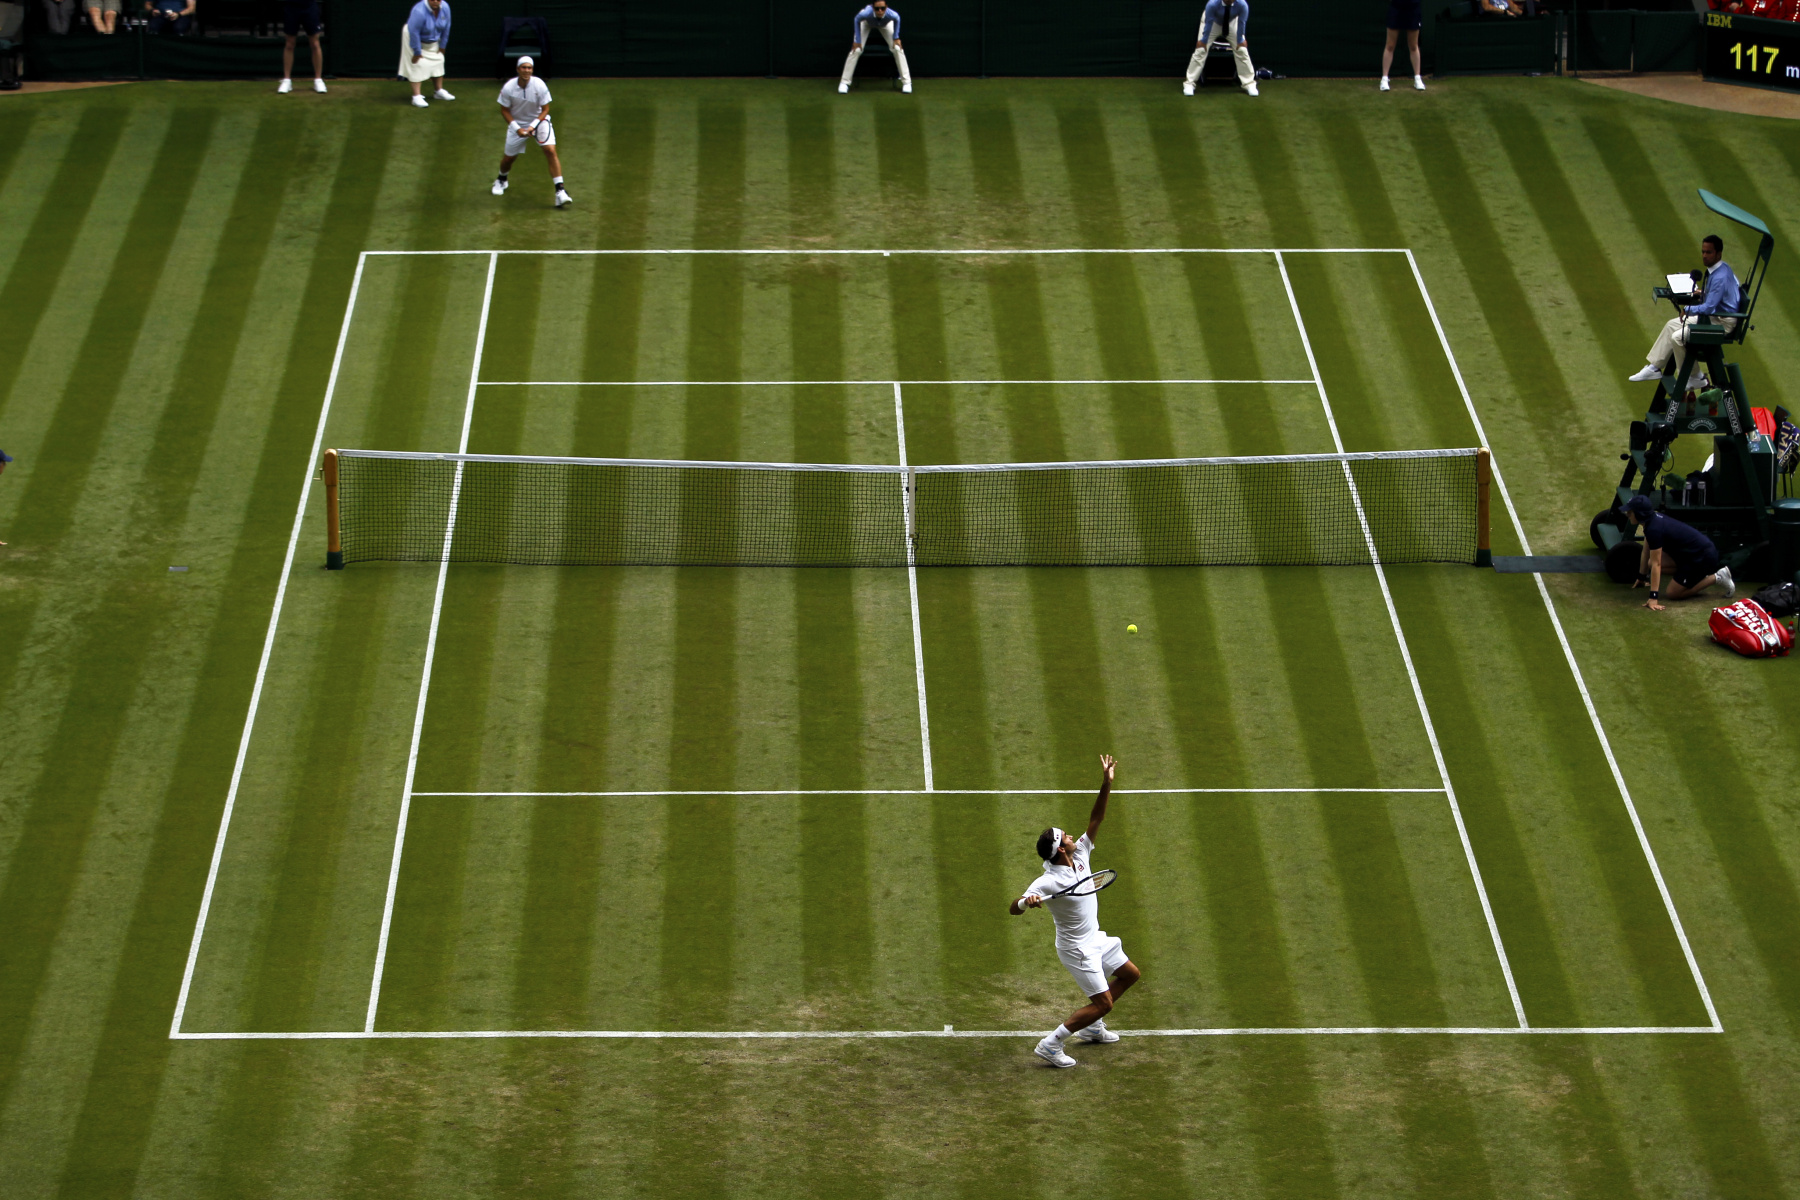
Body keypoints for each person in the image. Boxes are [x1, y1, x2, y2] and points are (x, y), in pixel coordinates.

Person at [1011, 755, 1142, 1068]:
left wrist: (1106, 784)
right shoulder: (1047, 880)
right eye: (1065, 836)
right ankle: (1051, 1044)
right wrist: (1024, 903)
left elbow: (1096, 819)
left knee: (1129, 975)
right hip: (1076, 949)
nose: (1072, 836)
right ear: (1060, 849)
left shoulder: (1081, 853)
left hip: (1094, 938)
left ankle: (1093, 1028)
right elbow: (1014, 908)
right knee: (1104, 1003)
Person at [1629, 235, 1741, 386]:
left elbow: (1708, 308)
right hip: (1716, 316)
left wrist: (1688, 309)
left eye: (1709, 252)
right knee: (1671, 325)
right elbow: (1730, 288)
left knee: (1677, 337)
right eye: (1703, 252)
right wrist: (1705, 293)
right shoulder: (1723, 268)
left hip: (1721, 323)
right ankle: (1654, 368)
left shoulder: (1720, 276)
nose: (1704, 256)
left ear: (1718, 254)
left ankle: (1695, 377)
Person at [1624, 494, 1733, 611]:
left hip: (1703, 558)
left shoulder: (1653, 529)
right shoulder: (1651, 522)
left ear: (1640, 514)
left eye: (1630, 512)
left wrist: (1653, 597)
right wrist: (1642, 577)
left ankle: (1717, 577)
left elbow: (1657, 564)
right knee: (1650, 563)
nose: (1627, 514)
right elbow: (1646, 552)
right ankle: (1694, 576)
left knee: (1673, 593)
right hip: (1689, 555)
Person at [492, 56, 569, 209]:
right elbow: (504, 110)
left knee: (550, 150)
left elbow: (546, 109)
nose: (526, 71)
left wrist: (533, 126)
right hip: (518, 124)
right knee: (508, 159)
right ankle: (501, 179)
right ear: (518, 69)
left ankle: (560, 191)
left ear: (532, 70)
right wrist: (517, 128)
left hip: (539, 122)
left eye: (529, 68)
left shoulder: (539, 84)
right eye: (524, 67)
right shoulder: (508, 87)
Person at [1183, 0, 1258, 97]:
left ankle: (1249, 84)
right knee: (1201, 50)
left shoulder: (1242, 5)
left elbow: (1242, 22)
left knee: (1242, 50)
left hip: (1232, 22)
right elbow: (1208, 22)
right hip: (1212, 22)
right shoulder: (1212, 4)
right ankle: (1189, 84)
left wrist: (1240, 41)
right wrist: (1204, 41)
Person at [839, 0, 911, 95]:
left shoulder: (891, 14)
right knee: (856, 50)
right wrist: (857, 41)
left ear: (886, 8)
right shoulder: (866, 13)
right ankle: (844, 82)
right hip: (866, 23)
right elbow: (857, 19)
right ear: (873, 8)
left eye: (883, 8)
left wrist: (896, 37)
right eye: (877, 9)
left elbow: (897, 19)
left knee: (897, 48)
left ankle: (907, 82)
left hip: (885, 24)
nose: (880, 11)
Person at [399, 0, 453, 109]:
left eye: (438, 0)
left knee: (439, 59)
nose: (435, 2)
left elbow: (447, 26)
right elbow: (414, 32)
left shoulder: (445, 7)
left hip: (432, 39)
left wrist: (442, 46)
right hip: (412, 38)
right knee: (417, 63)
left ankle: (438, 91)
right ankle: (416, 97)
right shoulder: (419, 11)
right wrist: (417, 52)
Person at [278, 0, 325, 94]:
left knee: (315, 43)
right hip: (291, 7)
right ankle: (287, 80)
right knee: (289, 44)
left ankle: (318, 80)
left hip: (310, 6)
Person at [1381, 0, 1426, 91]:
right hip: (1396, 8)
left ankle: (1417, 78)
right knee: (1390, 46)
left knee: (1413, 46)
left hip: (1413, 8)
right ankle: (1384, 79)